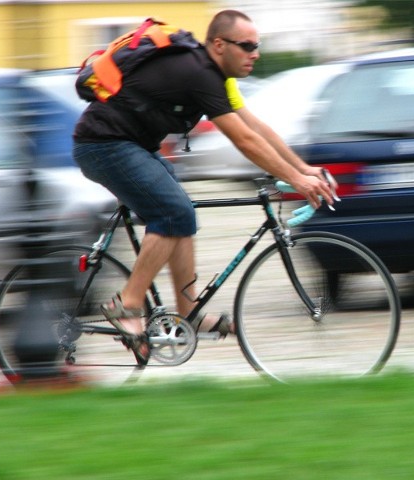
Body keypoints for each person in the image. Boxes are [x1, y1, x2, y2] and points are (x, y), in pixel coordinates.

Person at [72, 9, 336, 364]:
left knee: (182, 213)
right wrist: (297, 181)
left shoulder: (215, 75)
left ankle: (189, 311)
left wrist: (304, 169)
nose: (254, 53)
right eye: (246, 46)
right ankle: (126, 306)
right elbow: (243, 140)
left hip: (129, 146)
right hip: (104, 145)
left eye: (256, 46)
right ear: (219, 44)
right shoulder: (198, 73)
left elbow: (255, 128)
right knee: (171, 213)